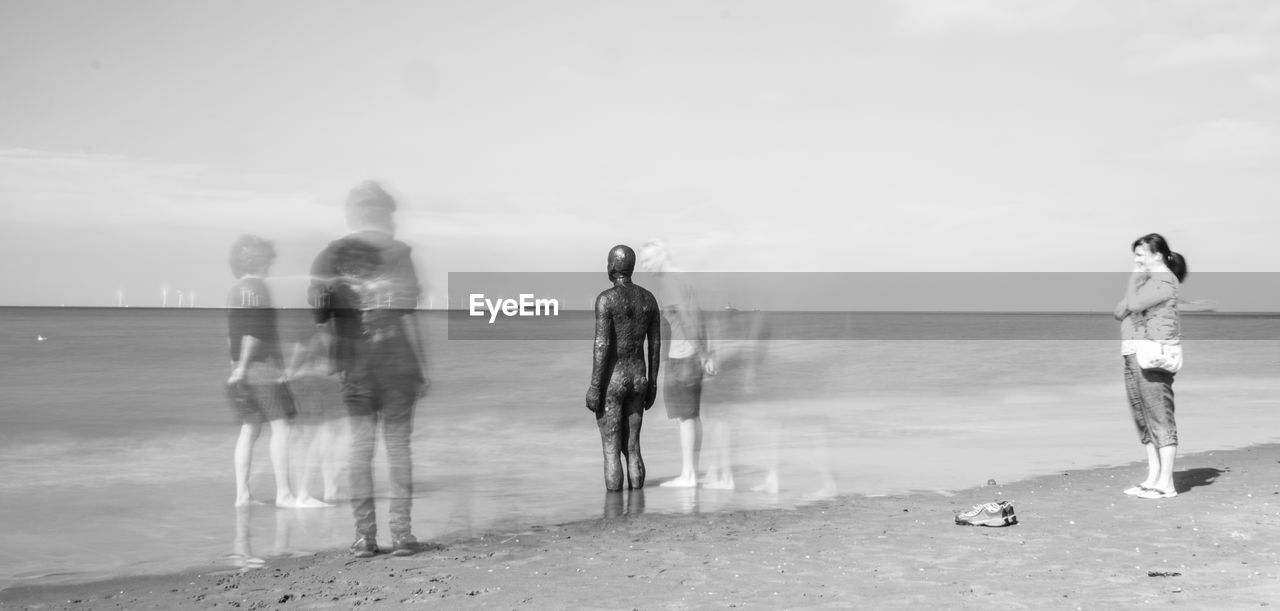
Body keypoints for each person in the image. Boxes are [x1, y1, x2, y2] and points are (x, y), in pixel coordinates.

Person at [310, 181, 428, 557]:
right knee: (397, 448)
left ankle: (364, 538)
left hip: (356, 367)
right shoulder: (399, 253)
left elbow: (319, 316)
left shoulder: (329, 257)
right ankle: (403, 535)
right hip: (398, 365)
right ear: (384, 213)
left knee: (360, 449)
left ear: (353, 213)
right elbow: (408, 315)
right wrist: (422, 366)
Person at [225, 235, 328, 509]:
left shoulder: (235, 291)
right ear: (261, 260)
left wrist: (235, 368)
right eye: (268, 259)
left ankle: (242, 496)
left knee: (249, 430)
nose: (271, 264)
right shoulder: (258, 289)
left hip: (240, 368)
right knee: (281, 429)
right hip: (261, 371)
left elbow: (232, 335)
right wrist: (248, 368)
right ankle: (285, 494)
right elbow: (254, 333)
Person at [1113, 233, 1188, 500]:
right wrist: (1138, 283)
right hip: (1133, 351)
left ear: (1157, 255)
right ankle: (1153, 477)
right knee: (1142, 418)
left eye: (1140, 254)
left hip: (1153, 352)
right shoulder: (1147, 282)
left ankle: (1166, 483)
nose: (1136, 260)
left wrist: (1135, 280)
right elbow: (1119, 311)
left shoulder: (1166, 281)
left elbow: (1131, 305)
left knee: (1159, 417)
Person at [639, 240, 716, 488]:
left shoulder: (670, 282)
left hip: (683, 355)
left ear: (662, 256)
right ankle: (692, 471)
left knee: (685, 418)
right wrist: (706, 351)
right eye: (643, 260)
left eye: (648, 259)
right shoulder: (682, 278)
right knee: (693, 416)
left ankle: (688, 475)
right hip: (692, 354)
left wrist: (703, 353)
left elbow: (686, 317)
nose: (644, 265)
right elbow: (698, 315)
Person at [586, 244, 661, 492]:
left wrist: (595, 387)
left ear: (613, 267)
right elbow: (655, 345)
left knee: (611, 448)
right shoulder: (648, 299)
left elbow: (602, 345)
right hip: (638, 377)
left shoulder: (606, 300)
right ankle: (637, 506)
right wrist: (652, 383)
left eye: (608, 263)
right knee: (633, 447)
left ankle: (615, 514)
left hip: (614, 381)